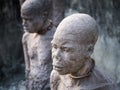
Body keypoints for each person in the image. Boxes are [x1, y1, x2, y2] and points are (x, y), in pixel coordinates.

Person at [50, 13, 117, 90]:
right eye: (54, 46)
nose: (56, 55)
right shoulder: (56, 76)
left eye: (66, 49)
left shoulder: (105, 86)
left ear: (89, 50)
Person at [21, 0, 54, 90]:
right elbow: (27, 69)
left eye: (29, 20)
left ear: (43, 15)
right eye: (23, 19)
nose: (24, 23)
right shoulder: (26, 37)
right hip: (32, 85)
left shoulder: (55, 39)